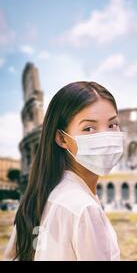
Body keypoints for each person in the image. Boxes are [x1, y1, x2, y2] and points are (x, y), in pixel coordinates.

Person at [3, 81, 123, 261]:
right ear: (61, 138)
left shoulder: (38, 197)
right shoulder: (84, 209)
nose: (104, 137)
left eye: (112, 125)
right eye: (89, 128)